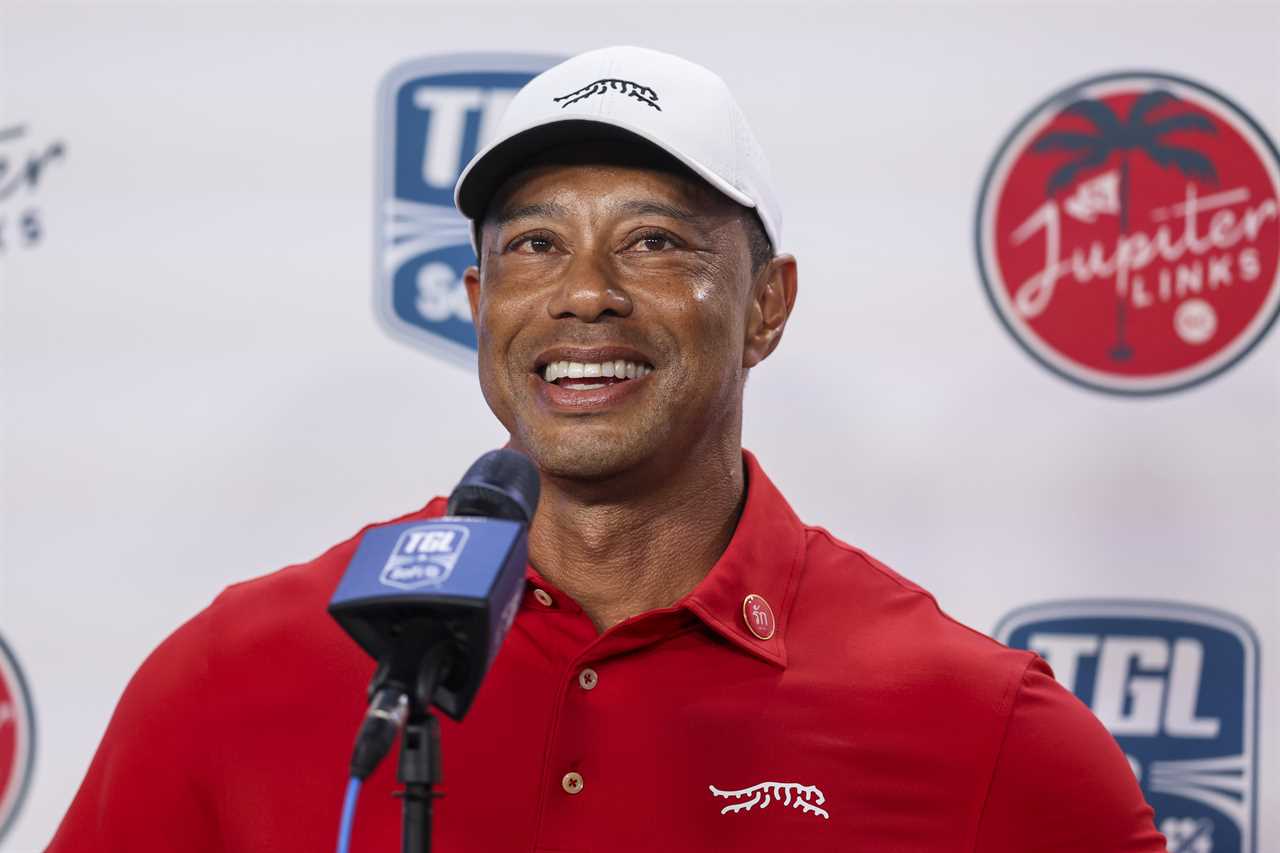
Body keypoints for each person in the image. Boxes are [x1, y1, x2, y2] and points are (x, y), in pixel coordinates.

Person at [46, 46, 1165, 852]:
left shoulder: (979, 723)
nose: (584, 291)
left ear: (766, 306)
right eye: (535, 244)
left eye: (654, 239)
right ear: (480, 303)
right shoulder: (235, 670)